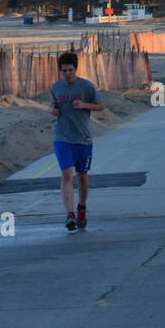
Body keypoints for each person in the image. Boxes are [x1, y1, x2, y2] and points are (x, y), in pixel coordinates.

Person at [50, 52, 105, 233]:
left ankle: (81, 207)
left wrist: (84, 105)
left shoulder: (86, 87)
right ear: (60, 70)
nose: (67, 74)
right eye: (64, 70)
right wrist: (53, 110)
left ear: (76, 69)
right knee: (67, 174)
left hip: (82, 138)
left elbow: (100, 105)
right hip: (62, 137)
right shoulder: (56, 87)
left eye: (71, 70)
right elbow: (53, 105)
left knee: (82, 175)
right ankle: (69, 214)